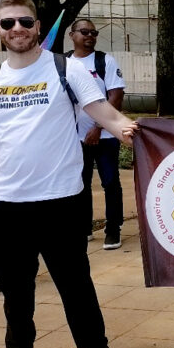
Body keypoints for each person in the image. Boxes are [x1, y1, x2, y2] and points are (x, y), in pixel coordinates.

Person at [0, 0, 138, 348]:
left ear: (38, 27)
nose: (17, 29)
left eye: (25, 21)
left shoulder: (67, 69)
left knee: (76, 287)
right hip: (8, 207)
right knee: (16, 294)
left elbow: (108, 116)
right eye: (8, 23)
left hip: (62, 202)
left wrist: (144, 136)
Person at [67, 19, 127, 250]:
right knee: (79, 183)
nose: (90, 36)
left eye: (94, 33)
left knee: (110, 182)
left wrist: (99, 127)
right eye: (84, 32)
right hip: (75, 138)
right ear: (72, 35)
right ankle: (84, 227)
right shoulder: (63, 63)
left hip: (106, 136)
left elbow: (116, 97)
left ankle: (113, 228)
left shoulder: (104, 61)